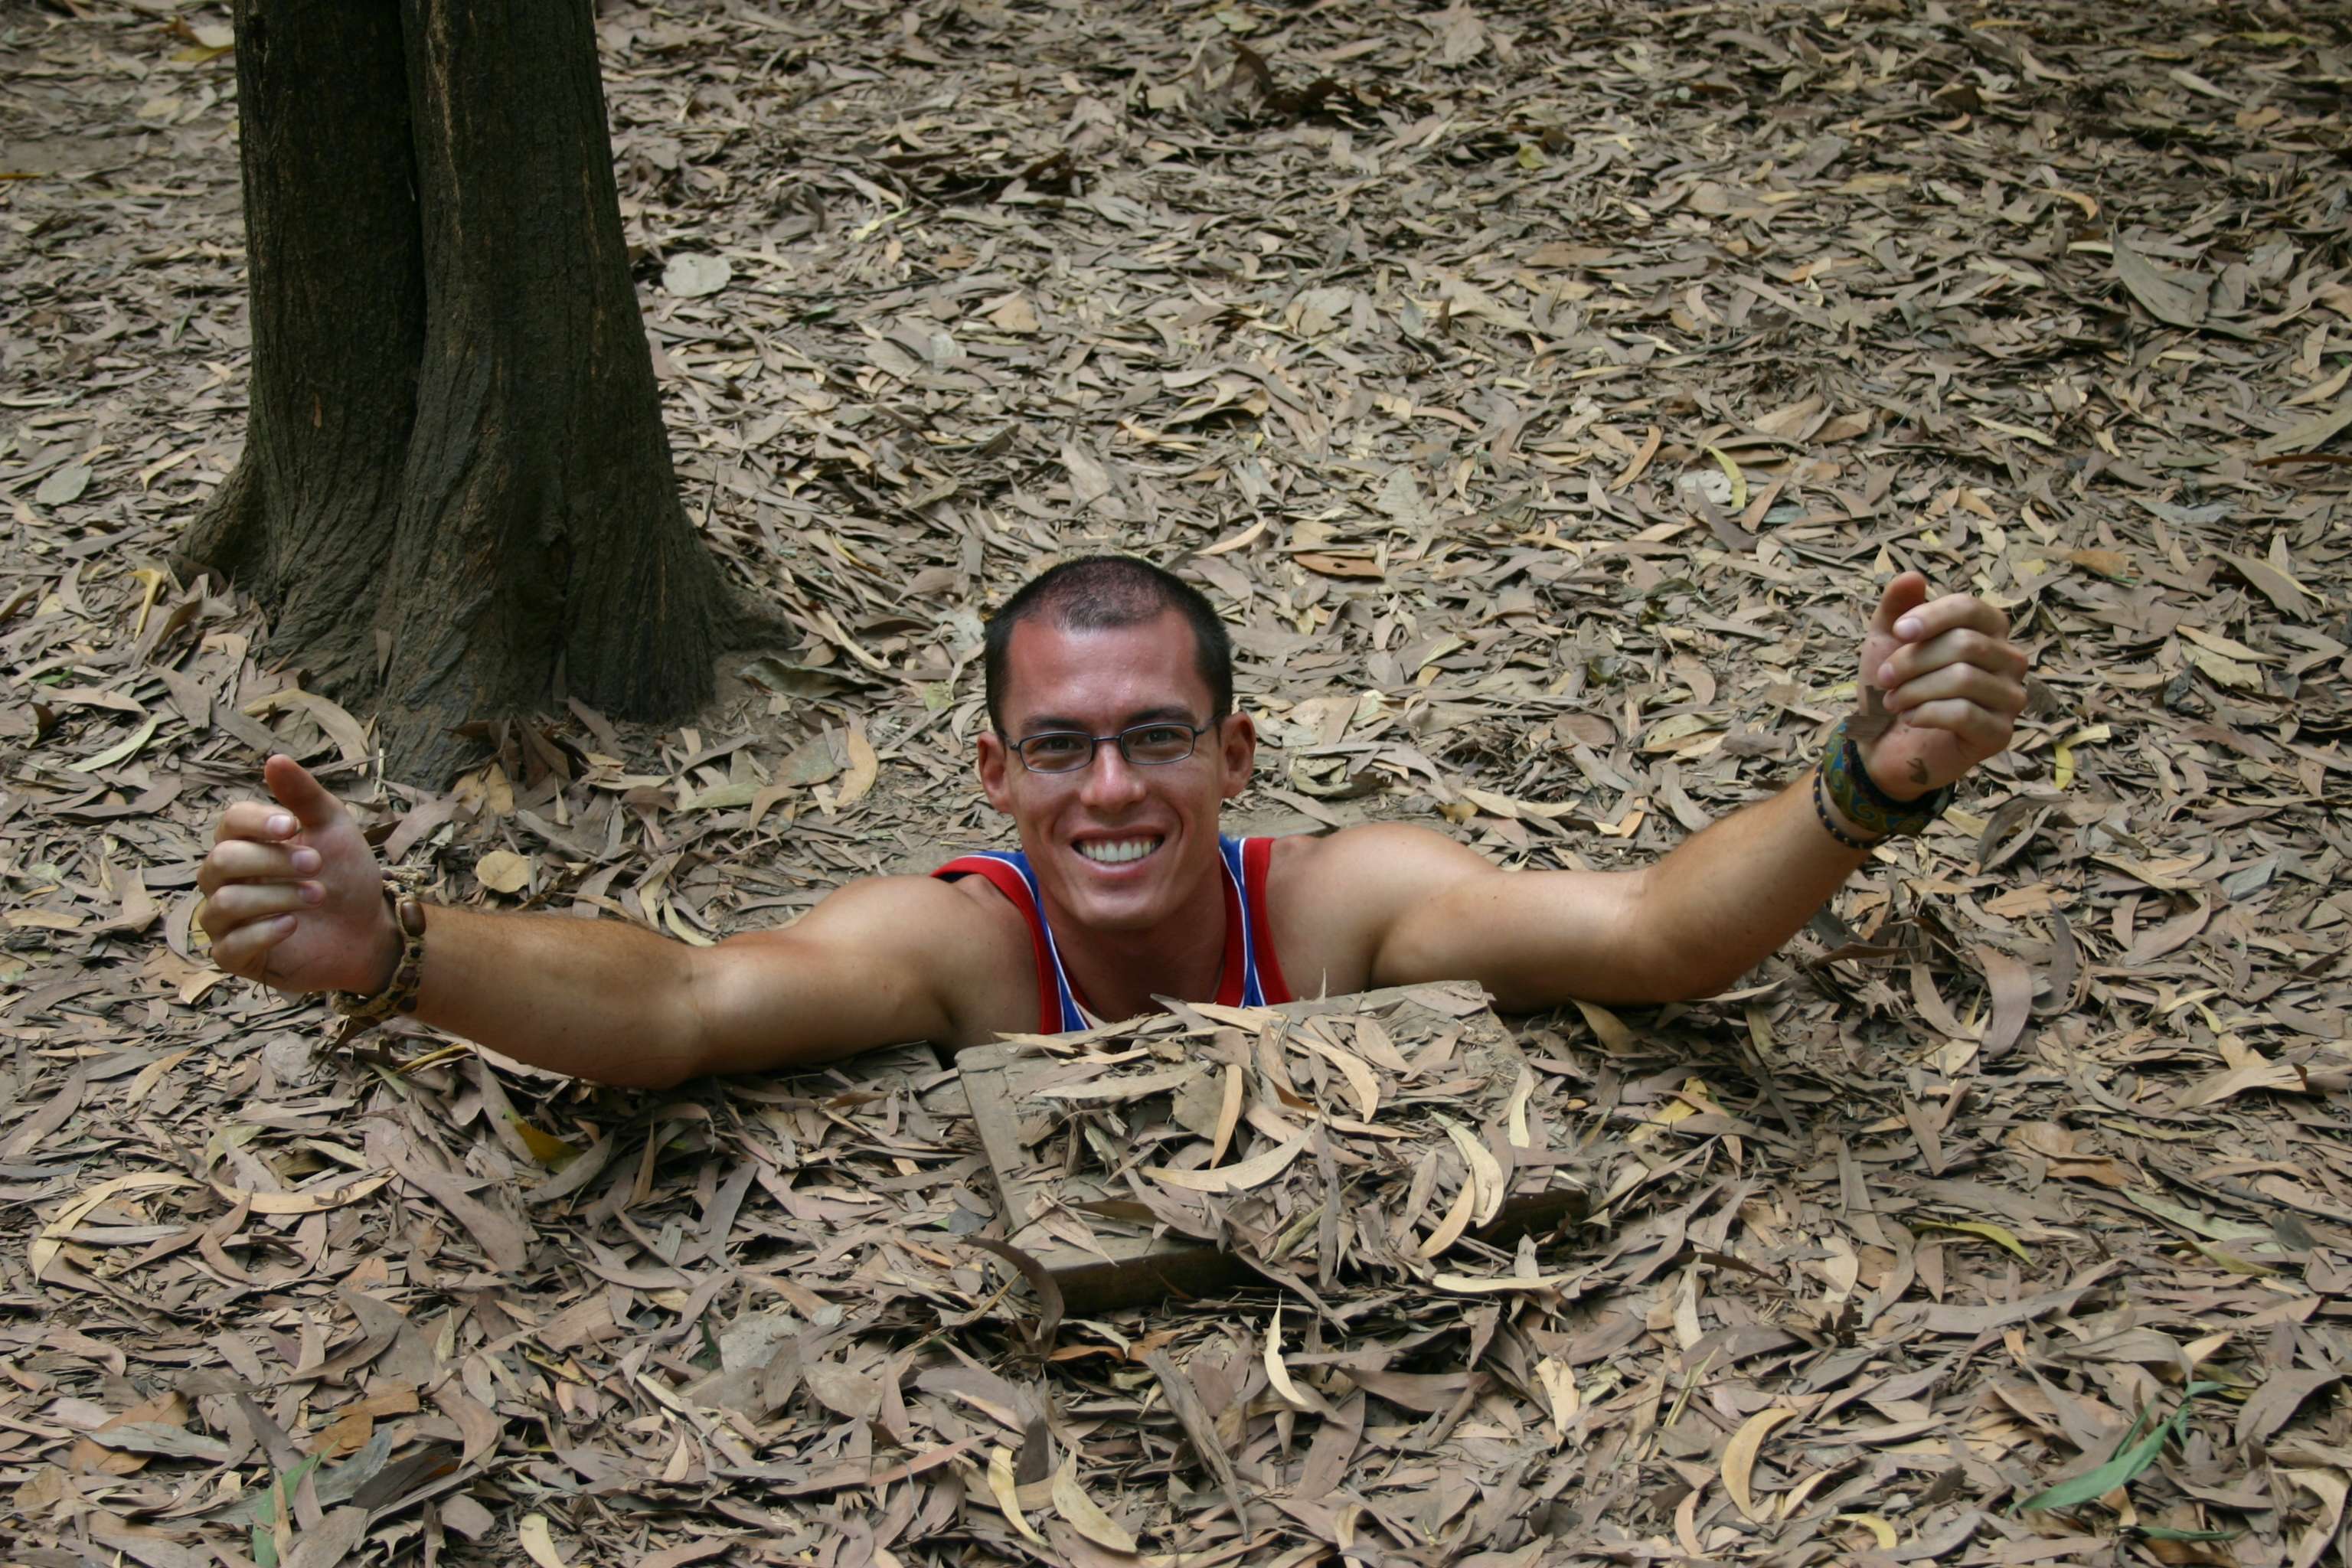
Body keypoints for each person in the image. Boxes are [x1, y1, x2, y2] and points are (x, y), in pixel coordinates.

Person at [197, 556, 2030, 1087]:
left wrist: (1867, 782)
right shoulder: (962, 940)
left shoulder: (1338, 909)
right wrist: (403, 951)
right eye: (1057, 748)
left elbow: (1652, 940)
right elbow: (679, 1010)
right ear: (990, 777)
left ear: (1237, 757)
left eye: (1157, 738)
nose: (1111, 789)